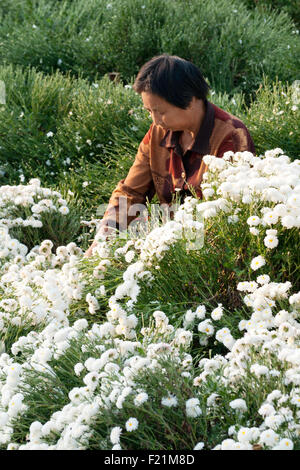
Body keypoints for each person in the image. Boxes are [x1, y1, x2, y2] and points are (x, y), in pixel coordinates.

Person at [85, 54, 255, 257]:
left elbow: (228, 216)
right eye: (149, 111)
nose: (155, 120)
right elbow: (130, 193)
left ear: (190, 100)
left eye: (161, 112)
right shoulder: (158, 133)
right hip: (167, 241)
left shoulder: (230, 136)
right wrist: (102, 240)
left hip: (213, 252)